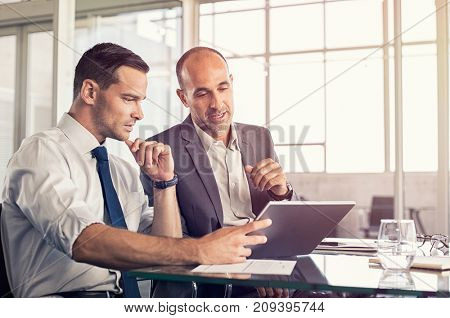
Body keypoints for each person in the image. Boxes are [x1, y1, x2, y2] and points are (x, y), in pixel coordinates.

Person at [0, 43, 270, 298]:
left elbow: (166, 254)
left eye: (141, 101)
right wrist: (201, 249)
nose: (139, 113)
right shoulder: (42, 153)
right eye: (130, 99)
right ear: (90, 92)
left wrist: (164, 184)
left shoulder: (122, 171)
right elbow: (84, 241)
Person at [141, 47, 301, 298]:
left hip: (268, 269)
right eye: (202, 93)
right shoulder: (162, 149)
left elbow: (289, 222)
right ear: (184, 98)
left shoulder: (259, 136)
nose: (217, 103)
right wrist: (245, 269)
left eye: (223, 87)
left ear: (232, 83)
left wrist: (283, 191)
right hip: (210, 284)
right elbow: (168, 244)